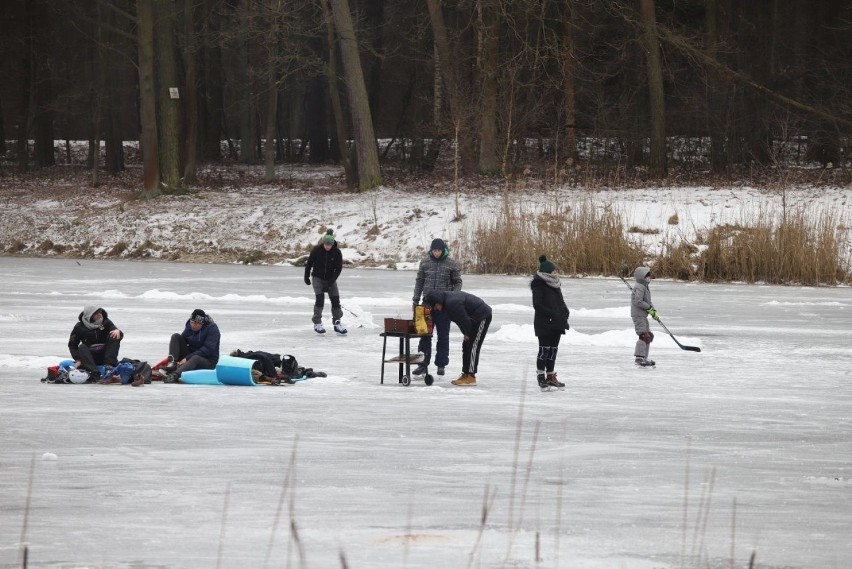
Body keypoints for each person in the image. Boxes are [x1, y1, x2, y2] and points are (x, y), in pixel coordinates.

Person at [412, 237, 463, 377]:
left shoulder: (451, 264)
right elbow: (419, 282)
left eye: (439, 250)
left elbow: (458, 282)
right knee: (424, 335)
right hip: (426, 305)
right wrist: (415, 301)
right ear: (431, 250)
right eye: (434, 250)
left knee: (443, 336)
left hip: (444, 307)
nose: (436, 253)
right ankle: (422, 364)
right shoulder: (425, 262)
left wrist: (451, 298)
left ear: (443, 250)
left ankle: (441, 364)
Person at [424, 290, 491, 386]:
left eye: (435, 307)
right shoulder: (446, 305)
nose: (435, 309)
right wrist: (465, 333)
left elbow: (464, 319)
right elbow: (459, 320)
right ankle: (465, 374)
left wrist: (467, 333)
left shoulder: (452, 303)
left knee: (473, 346)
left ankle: (471, 377)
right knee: (466, 345)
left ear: (438, 303)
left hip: (482, 316)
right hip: (473, 318)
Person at [531, 255, 569, 390]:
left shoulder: (555, 284)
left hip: (557, 322)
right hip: (544, 323)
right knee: (544, 350)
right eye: (553, 271)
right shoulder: (539, 285)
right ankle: (541, 377)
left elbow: (560, 300)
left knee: (553, 351)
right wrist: (552, 314)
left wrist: (565, 310)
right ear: (547, 272)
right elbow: (537, 305)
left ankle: (551, 376)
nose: (556, 273)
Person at [304, 228, 347, 335]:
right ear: (323, 243)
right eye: (326, 244)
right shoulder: (316, 250)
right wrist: (306, 276)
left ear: (332, 244)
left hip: (330, 279)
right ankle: (317, 323)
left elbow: (338, 269)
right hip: (317, 278)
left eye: (329, 245)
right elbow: (309, 264)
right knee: (320, 300)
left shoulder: (337, 252)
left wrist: (331, 282)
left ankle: (337, 323)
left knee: (336, 301)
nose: (327, 247)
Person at [162, 309, 221, 382]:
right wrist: (177, 357)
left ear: (202, 323)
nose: (193, 325)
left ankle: (174, 375)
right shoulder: (189, 326)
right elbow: (181, 341)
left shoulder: (212, 329)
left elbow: (208, 350)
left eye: (196, 323)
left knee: (195, 358)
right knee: (175, 336)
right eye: (192, 322)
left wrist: (187, 358)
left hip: (208, 361)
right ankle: (172, 364)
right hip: (191, 357)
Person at [68, 306, 123, 383]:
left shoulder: (105, 322)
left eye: (100, 312)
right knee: (82, 347)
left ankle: (109, 367)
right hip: (89, 357)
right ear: (89, 316)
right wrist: (78, 359)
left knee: (114, 335)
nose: (99, 315)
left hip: (104, 355)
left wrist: (118, 331)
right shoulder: (79, 327)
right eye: (96, 313)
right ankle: (94, 372)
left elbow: (114, 330)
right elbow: (72, 345)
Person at [631, 266, 659, 367]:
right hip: (638, 315)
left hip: (643, 315)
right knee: (643, 335)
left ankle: (644, 358)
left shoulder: (645, 287)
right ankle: (639, 358)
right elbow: (638, 301)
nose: (649, 278)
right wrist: (649, 308)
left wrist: (654, 311)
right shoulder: (639, 286)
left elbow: (648, 302)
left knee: (648, 336)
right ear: (641, 277)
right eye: (647, 276)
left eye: (649, 276)